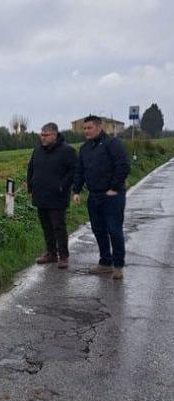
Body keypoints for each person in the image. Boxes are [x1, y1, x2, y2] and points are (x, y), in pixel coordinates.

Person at [72, 115, 131, 280]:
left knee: (114, 230)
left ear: (99, 127)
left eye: (89, 128)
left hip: (112, 195)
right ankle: (105, 262)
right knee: (98, 230)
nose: (86, 131)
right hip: (94, 195)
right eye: (84, 128)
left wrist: (114, 188)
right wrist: (76, 191)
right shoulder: (84, 148)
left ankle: (118, 266)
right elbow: (80, 171)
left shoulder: (113, 144)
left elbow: (123, 166)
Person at [27, 122, 77, 269]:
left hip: (57, 196)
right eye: (41, 134)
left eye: (46, 135)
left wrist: (63, 185)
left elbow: (74, 170)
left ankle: (63, 256)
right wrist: (30, 187)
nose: (42, 138)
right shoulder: (37, 151)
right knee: (46, 227)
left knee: (58, 227)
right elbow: (31, 169)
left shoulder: (67, 151)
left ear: (54, 135)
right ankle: (51, 254)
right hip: (40, 194)